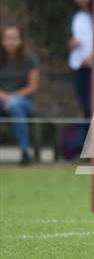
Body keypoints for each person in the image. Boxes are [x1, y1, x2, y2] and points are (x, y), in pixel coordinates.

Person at [0, 25, 40, 165]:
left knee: (15, 106)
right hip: (1, 99)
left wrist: (12, 98)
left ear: (21, 40)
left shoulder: (30, 60)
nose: (10, 42)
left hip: (23, 102)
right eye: (7, 39)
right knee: (11, 104)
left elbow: (32, 87)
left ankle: (24, 152)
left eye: (14, 38)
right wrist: (4, 97)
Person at [68, 0, 93, 118]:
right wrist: (71, 43)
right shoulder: (73, 17)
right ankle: (86, 136)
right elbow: (70, 37)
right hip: (78, 64)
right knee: (83, 105)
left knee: (93, 103)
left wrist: (93, 57)